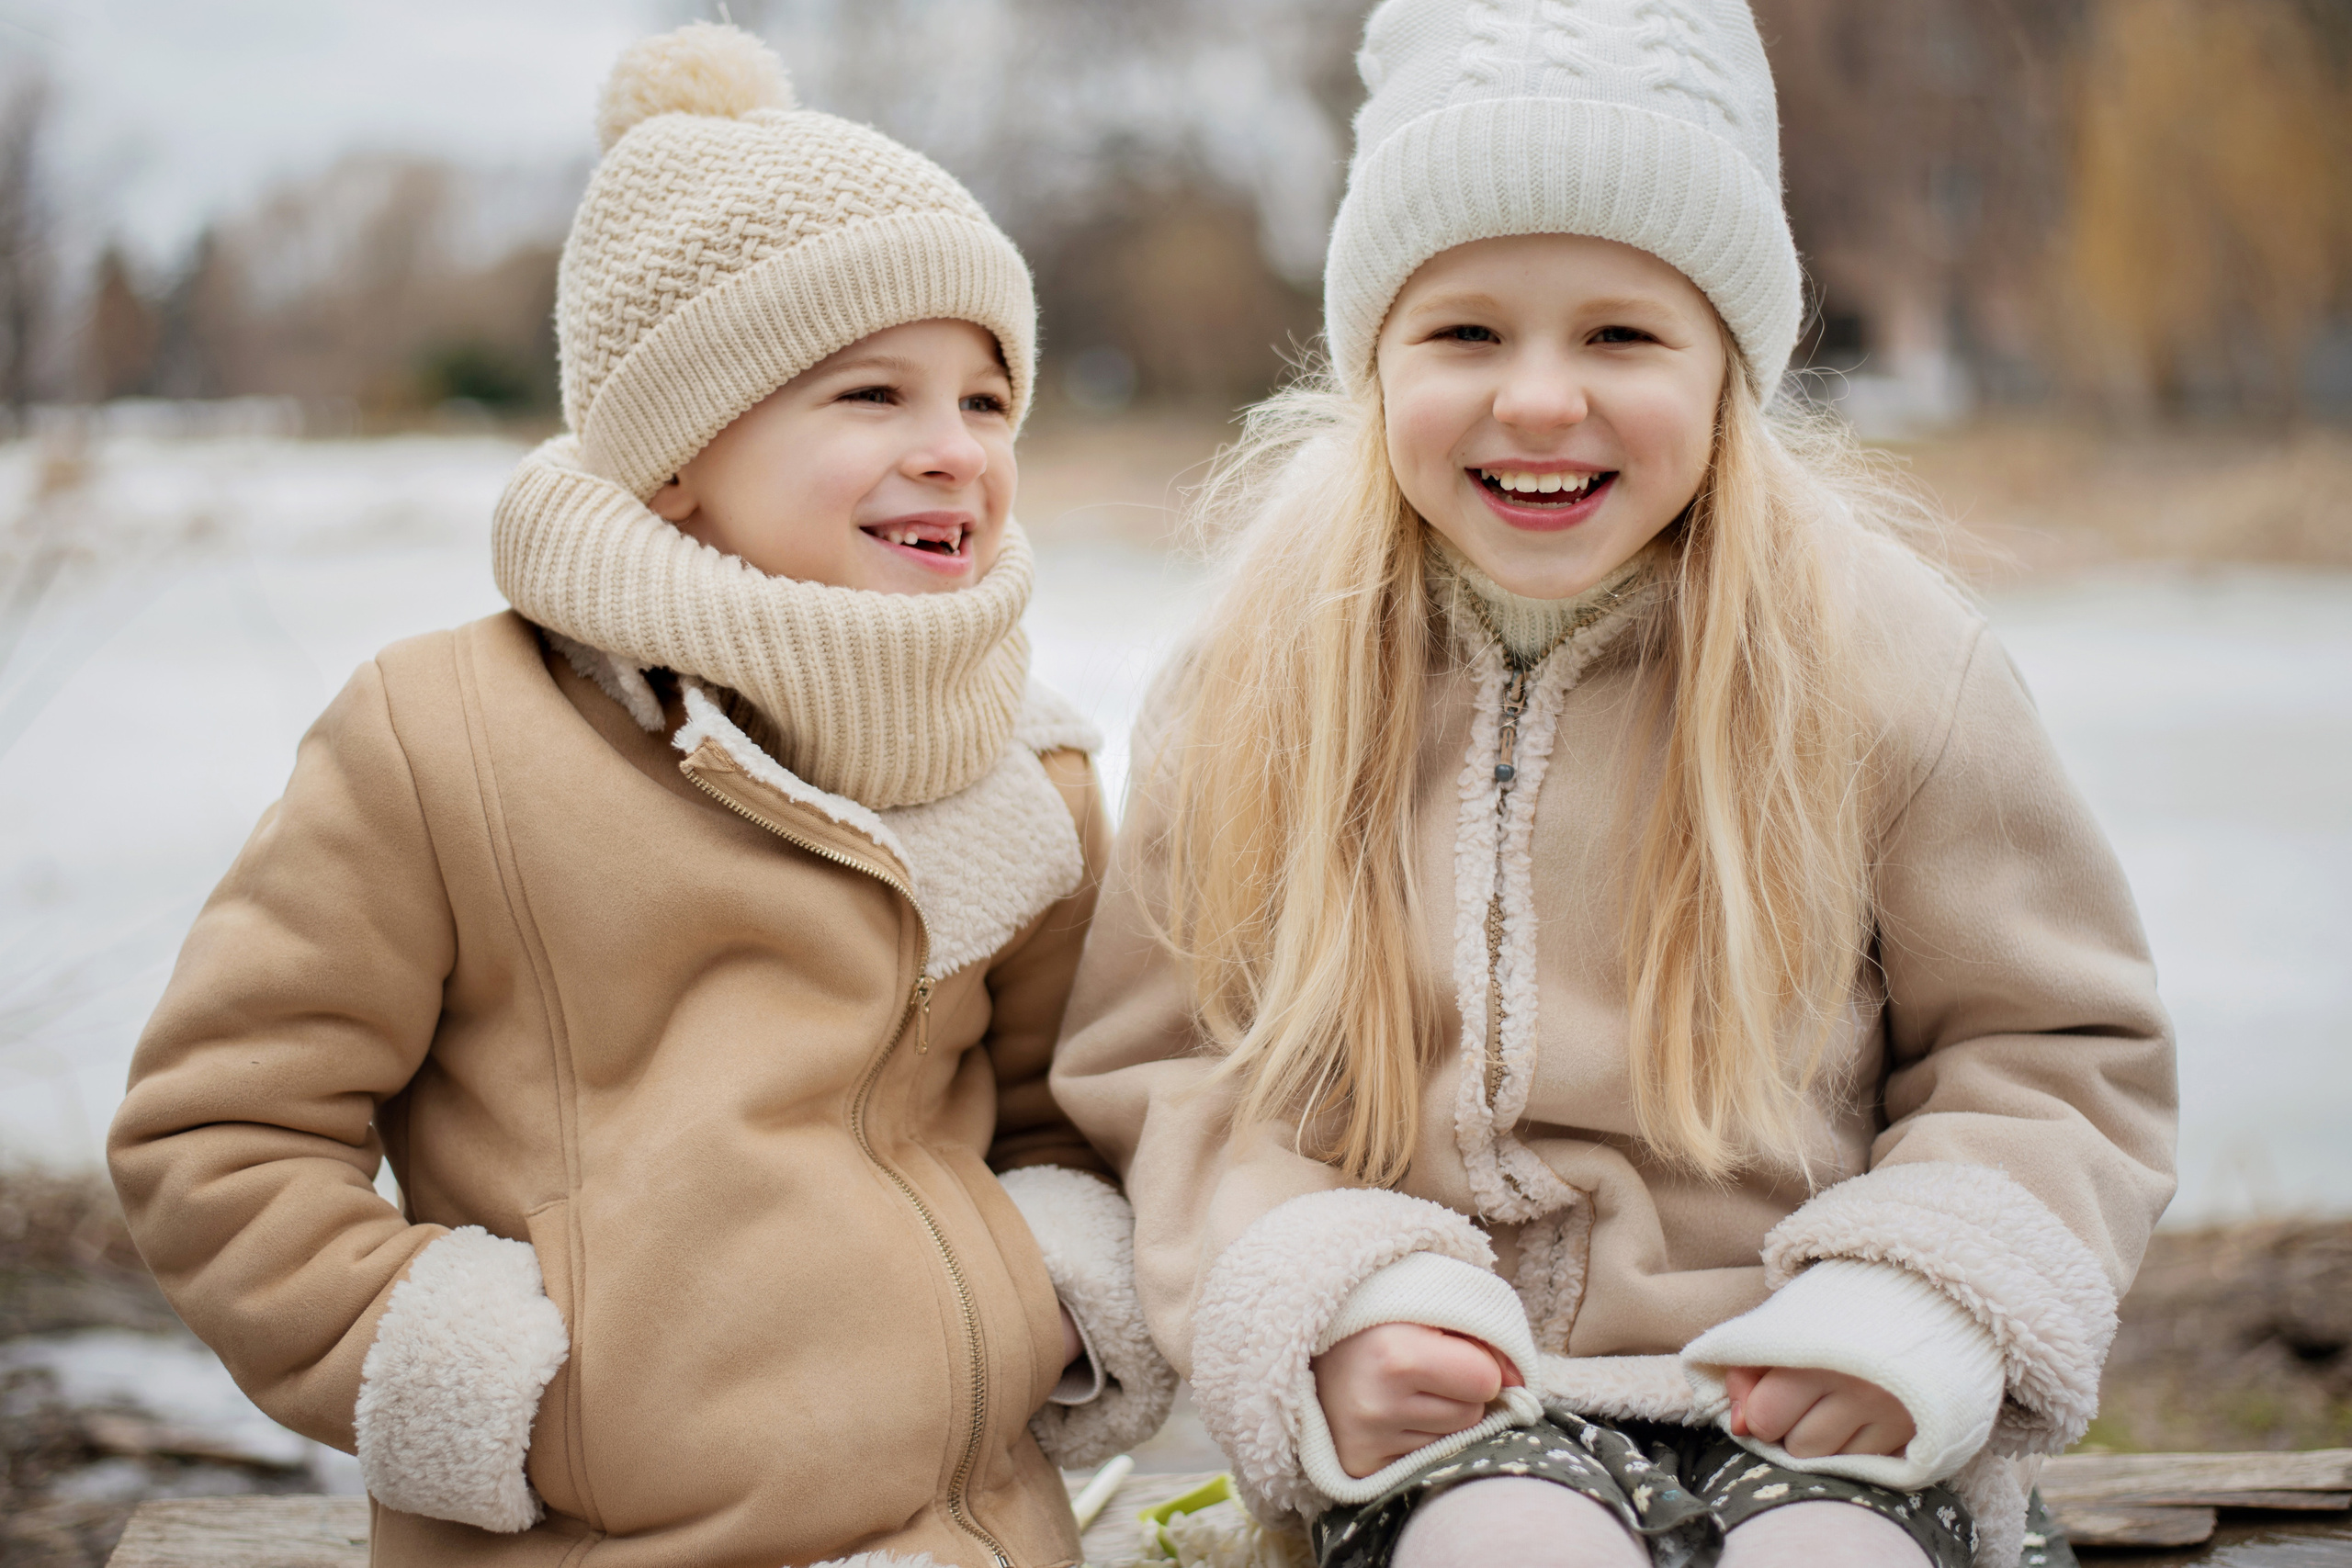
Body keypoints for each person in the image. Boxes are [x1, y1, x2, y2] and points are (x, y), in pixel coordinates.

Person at [1052, 3, 2173, 1565]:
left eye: (1621, 335)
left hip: (1804, 1375)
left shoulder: (1885, 659)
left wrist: (1919, 1299)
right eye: (1466, 333)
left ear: (1730, 365)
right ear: (1377, 358)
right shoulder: (1260, 673)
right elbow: (1165, 1066)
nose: (1538, 400)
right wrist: (1331, 1297)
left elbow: (2050, 1046)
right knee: (1513, 1549)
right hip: (1452, 1402)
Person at [107, 25, 1170, 1568]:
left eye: (988, 401)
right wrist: (491, 1384)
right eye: (872, 395)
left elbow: (1058, 1117)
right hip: (595, 1537)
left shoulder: (1029, 771)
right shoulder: (451, 737)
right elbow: (221, 1130)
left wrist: (1047, 1297)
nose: (953, 453)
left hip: (967, 1540)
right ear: (677, 455)